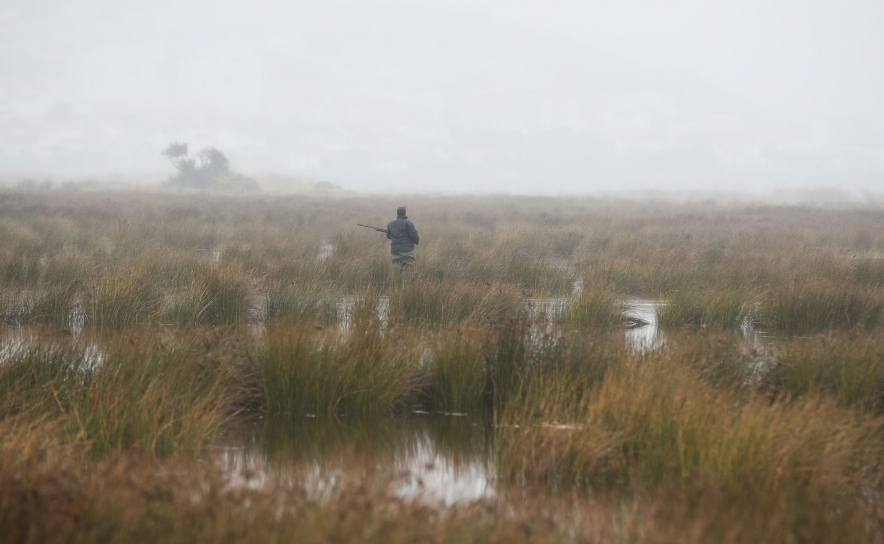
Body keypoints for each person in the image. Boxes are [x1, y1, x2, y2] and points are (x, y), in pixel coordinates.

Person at [387, 206, 419, 276]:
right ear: (405, 213)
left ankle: (398, 285)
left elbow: (388, 236)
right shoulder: (408, 223)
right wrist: (416, 241)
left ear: (397, 213)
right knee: (408, 271)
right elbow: (414, 236)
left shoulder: (391, 223)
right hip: (407, 250)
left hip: (395, 251)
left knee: (397, 271)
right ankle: (407, 285)